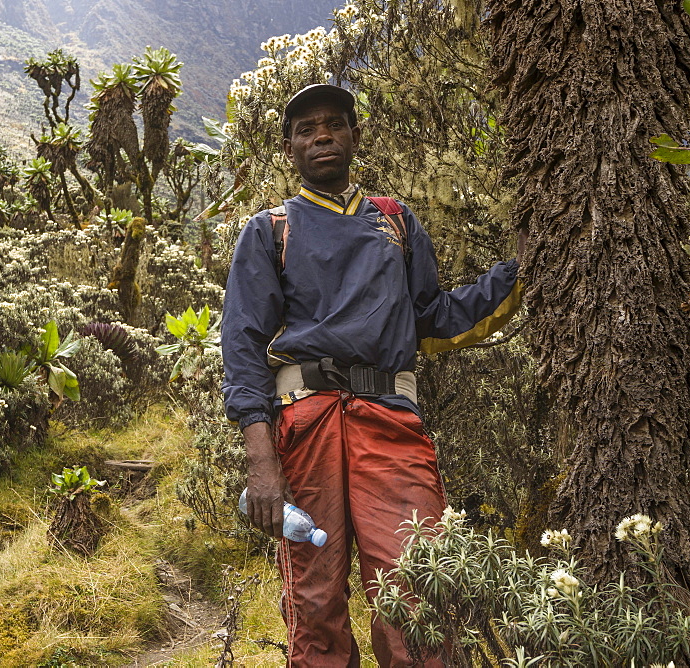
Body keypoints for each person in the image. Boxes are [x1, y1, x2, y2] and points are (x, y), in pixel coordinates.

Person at [221, 84, 523, 667]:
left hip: (391, 420)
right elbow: (243, 343)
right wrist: (261, 460)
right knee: (314, 595)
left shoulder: (396, 221)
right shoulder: (270, 230)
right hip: (305, 425)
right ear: (290, 148)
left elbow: (432, 319)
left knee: (418, 583)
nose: (322, 136)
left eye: (334, 124)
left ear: (355, 136)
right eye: (307, 129)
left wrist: (512, 274)